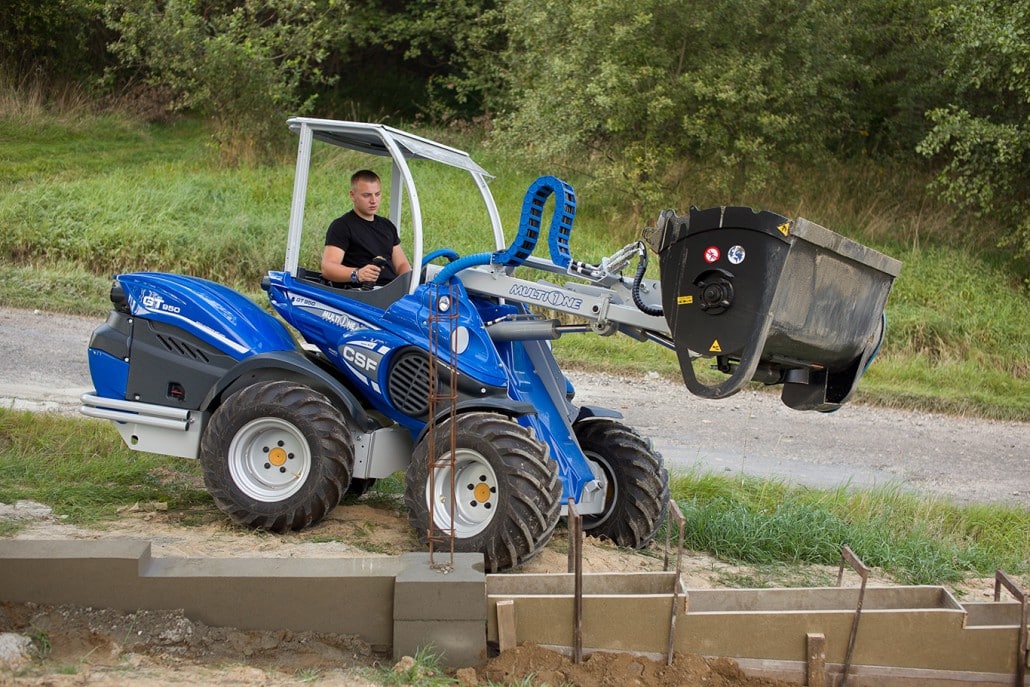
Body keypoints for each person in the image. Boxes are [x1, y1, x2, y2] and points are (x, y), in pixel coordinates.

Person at [321, 170, 412, 287]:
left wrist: (409, 284)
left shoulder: (387, 225)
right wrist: (357, 274)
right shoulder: (342, 226)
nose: (373, 201)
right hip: (361, 295)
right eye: (367, 195)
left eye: (377, 194)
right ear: (352, 195)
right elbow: (328, 268)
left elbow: (401, 264)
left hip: (392, 291)